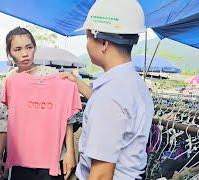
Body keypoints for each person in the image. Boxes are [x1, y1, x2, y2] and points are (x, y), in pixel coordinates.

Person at [62, 0, 155, 179]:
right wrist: (78, 83)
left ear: (103, 43)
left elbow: (101, 174)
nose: (87, 44)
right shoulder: (133, 83)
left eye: (88, 37)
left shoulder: (109, 97)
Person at [0, 27, 77, 180]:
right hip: (22, 160)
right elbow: (4, 124)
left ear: (34, 48)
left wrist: (70, 152)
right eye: (17, 49)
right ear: (9, 53)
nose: (25, 53)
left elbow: (67, 119)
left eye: (29, 47)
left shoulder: (52, 75)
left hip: (53, 158)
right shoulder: (9, 82)